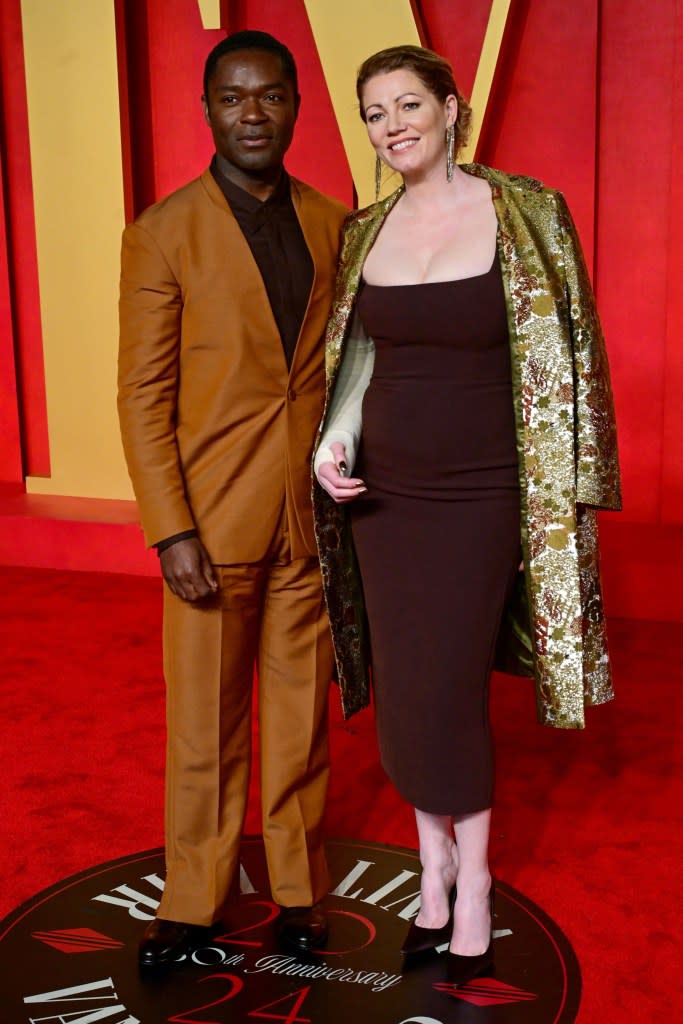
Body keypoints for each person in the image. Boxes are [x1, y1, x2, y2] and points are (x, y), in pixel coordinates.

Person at [313, 44, 620, 986]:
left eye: (409, 103)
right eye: (375, 112)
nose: (393, 123)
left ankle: (475, 879)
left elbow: (573, 345)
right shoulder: (364, 232)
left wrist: (574, 482)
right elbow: (359, 356)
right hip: (384, 500)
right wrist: (335, 441)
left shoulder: (525, 213)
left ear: (451, 108)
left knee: (447, 686)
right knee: (405, 686)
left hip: (485, 491)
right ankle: (432, 869)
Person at [118, 30, 347, 970]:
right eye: (234, 97)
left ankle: (298, 891)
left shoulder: (338, 222)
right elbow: (140, 395)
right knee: (204, 723)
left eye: (272, 96)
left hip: (311, 516)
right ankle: (194, 897)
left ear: (296, 106)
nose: (254, 113)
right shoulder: (162, 231)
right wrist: (169, 526)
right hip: (208, 523)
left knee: (300, 718)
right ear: (207, 109)